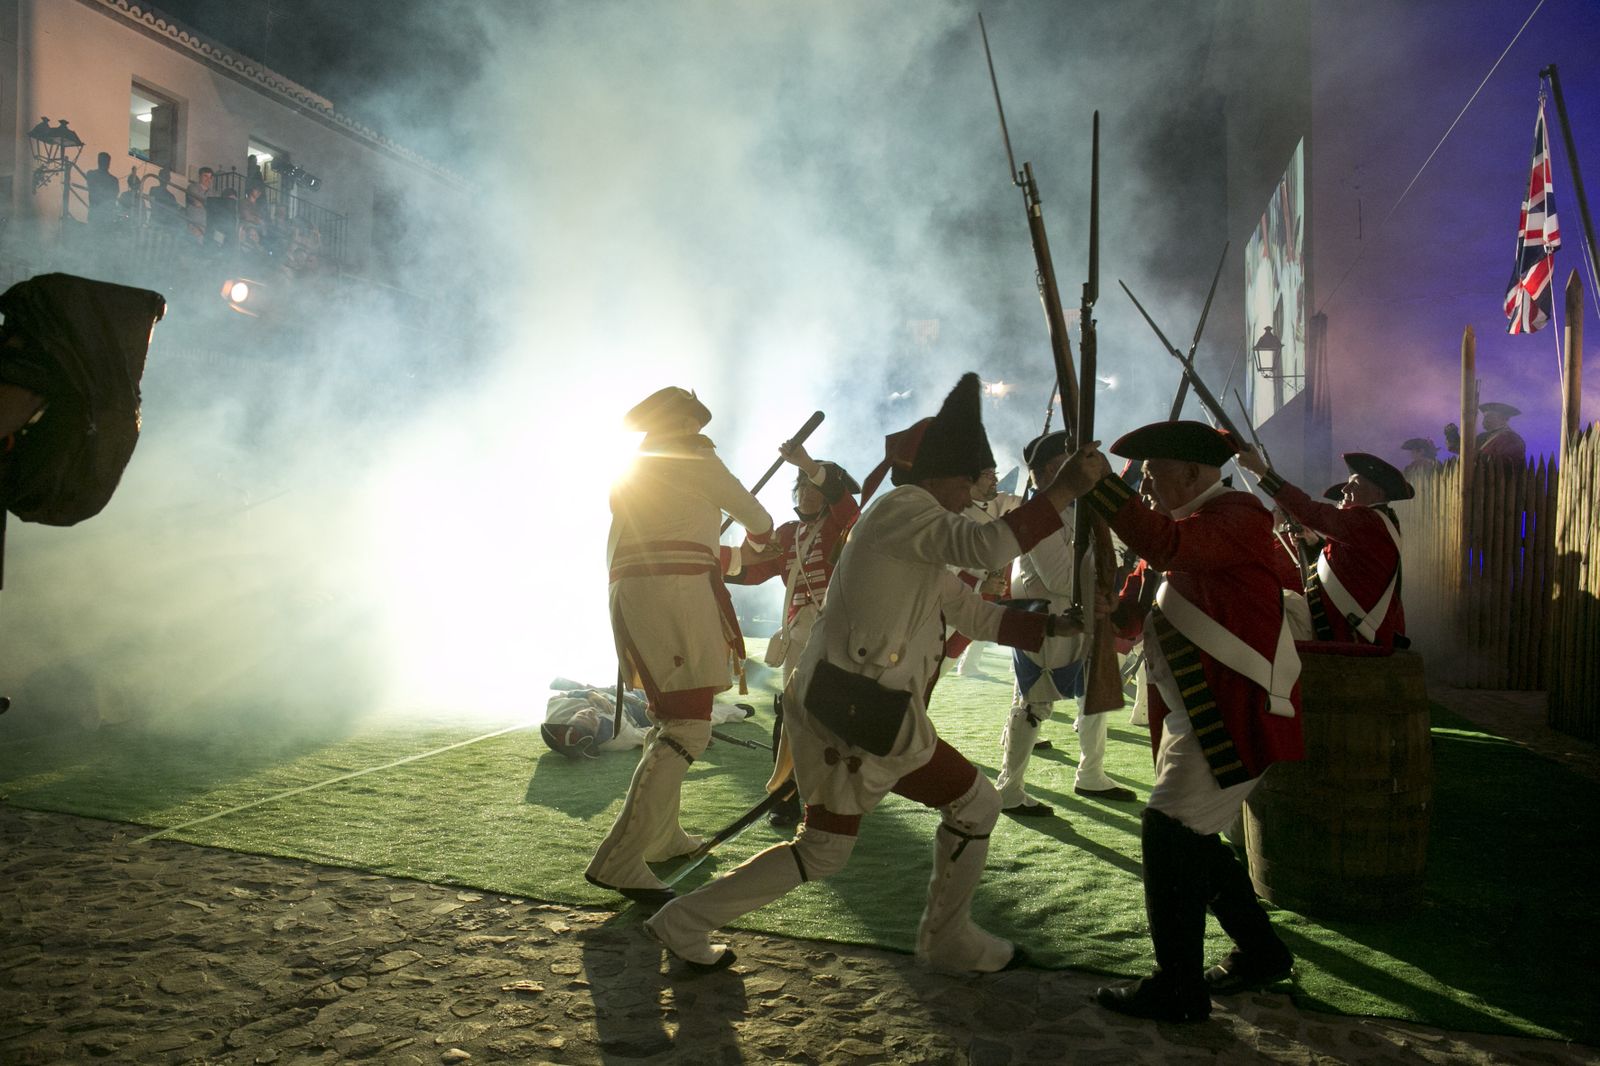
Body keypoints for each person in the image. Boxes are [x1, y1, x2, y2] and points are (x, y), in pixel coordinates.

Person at [645, 373, 1097, 975]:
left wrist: (1053, 630)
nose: (973, 493)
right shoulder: (905, 509)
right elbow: (989, 549)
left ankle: (683, 920)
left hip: (852, 706)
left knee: (825, 850)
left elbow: (972, 613)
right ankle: (949, 940)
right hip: (863, 711)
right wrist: (1064, 489)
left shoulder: (912, 528)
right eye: (969, 479)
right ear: (943, 474)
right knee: (976, 806)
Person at [1067, 420, 1303, 1024]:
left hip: (1234, 715)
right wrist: (1106, 608)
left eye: (1154, 476)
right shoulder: (1181, 530)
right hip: (1195, 715)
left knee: (1168, 830)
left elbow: (1170, 547)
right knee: (1192, 838)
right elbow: (1133, 614)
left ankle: (1179, 988)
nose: (1145, 488)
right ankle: (1263, 952)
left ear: (1196, 475)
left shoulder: (1238, 516)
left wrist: (1102, 491)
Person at [584, 387, 777, 907]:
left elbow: (688, 537)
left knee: (675, 720)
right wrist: (763, 544)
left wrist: (739, 553)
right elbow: (757, 518)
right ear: (685, 423)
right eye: (695, 420)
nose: (700, 429)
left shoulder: (635, 468)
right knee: (690, 725)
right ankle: (622, 857)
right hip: (669, 592)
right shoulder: (695, 457)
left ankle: (662, 838)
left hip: (644, 591)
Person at [998, 429, 1136, 817]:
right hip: (1047, 619)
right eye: (1064, 469)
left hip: (1085, 615)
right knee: (1032, 706)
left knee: (1095, 696)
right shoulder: (1037, 513)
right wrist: (1109, 562)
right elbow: (1061, 578)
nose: (1077, 475)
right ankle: (1009, 788)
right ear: (1041, 476)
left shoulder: (1082, 509)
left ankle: (1091, 773)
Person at [725, 440, 861, 827]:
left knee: (834, 714)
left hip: (840, 631)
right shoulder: (786, 534)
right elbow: (751, 570)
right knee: (793, 713)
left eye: (815, 485)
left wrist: (808, 463)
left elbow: (846, 507)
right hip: (799, 634)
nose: (807, 491)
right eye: (802, 484)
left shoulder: (843, 523)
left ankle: (836, 790)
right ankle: (786, 795)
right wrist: (708, 560)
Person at [1239, 450, 1411, 650]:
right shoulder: (1369, 523)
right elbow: (1345, 570)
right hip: (1341, 632)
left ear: (1378, 494)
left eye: (1354, 484)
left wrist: (1262, 471)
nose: (1345, 489)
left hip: (1354, 638)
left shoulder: (1368, 521)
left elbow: (1310, 512)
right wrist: (1313, 545)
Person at [946, 465, 1023, 676]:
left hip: (981, 600)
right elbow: (946, 570)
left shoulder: (1002, 500)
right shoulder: (952, 511)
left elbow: (1028, 505)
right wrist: (980, 585)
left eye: (994, 475)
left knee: (944, 664)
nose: (995, 480)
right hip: (951, 599)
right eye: (988, 475)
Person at [85, 153, 119, 226]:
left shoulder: (91, 174)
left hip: (98, 215)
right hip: (105, 216)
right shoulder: (113, 180)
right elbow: (114, 196)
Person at [186, 167, 215, 241]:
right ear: (199, 176)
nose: (208, 179)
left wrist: (207, 204)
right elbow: (197, 203)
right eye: (205, 176)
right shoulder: (192, 187)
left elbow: (215, 208)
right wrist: (210, 205)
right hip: (195, 224)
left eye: (210, 177)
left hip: (208, 226)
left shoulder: (212, 193)